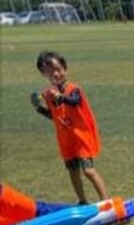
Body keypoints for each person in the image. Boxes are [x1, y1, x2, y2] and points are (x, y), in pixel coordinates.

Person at [31, 51, 109, 205]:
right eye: (50, 71)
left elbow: (74, 101)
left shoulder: (74, 89)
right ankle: (82, 201)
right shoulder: (49, 94)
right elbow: (55, 116)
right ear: (43, 74)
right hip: (66, 139)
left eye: (58, 69)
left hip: (81, 137)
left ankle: (106, 201)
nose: (56, 74)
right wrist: (38, 107)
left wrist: (59, 97)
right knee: (73, 171)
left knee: (88, 170)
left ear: (64, 68)